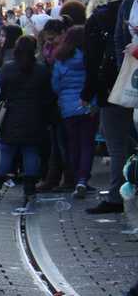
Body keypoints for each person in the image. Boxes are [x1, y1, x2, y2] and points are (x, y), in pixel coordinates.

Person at [82, 0, 128, 214]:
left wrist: (86, 94)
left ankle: (116, 196)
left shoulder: (97, 20)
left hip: (110, 89)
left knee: (117, 145)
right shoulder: (126, 13)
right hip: (130, 84)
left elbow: (92, 62)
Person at [0, 36, 55, 205]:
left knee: (6, 151)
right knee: (31, 152)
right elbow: (49, 95)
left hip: (11, 116)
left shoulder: (7, 69)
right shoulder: (42, 70)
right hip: (36, 117)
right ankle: (29, 188)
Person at [51, 25, 97, 198]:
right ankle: (83, 180)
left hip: (68, 108)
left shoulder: (61, 59)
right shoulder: (89, 57)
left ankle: (77, 178)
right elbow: (93, 80)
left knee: (73, 144)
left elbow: (55, 85)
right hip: (88, 105)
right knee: (87, 144)